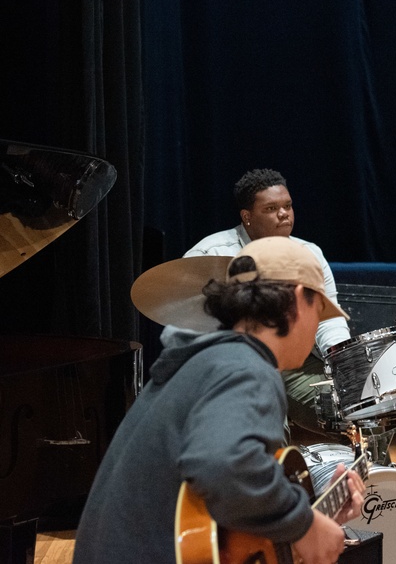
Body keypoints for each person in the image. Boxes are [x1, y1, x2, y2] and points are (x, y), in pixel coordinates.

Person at [74, 237, 365, 564]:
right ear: (299, 300)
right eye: (320, 310)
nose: (317, 326)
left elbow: (221, 517)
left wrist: (311, 514)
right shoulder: (246, 369)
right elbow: (223, 464)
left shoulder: (208, 361)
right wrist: (303, 524)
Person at [185, 168, 351, 434]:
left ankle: (375, 476)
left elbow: (328, 319)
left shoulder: (309, 254)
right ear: (247, 217)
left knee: (357, 409)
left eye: (287, 206)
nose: (284, 213)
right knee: (266, 418)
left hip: (295, 360)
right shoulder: (210, 255)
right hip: (236, 365)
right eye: (272, 208)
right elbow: (191, 325)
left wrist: (344, 363)